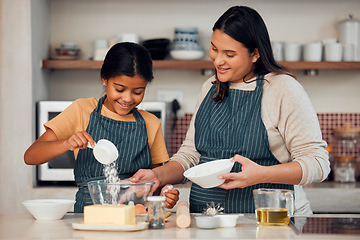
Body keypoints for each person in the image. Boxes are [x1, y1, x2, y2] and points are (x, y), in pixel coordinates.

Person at [131, 6, 330, 215]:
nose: (218, 60)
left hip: (270, 221)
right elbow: (190, 155)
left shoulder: (281, 88)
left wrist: (261, 174)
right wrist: (158, 175)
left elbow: (318, 163)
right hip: (208, 220)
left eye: (230, 54)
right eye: (214, 49)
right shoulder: (210, 87)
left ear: (255, 54)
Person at [24, 42, 179, 213]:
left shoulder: (151, 123)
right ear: (104, 79)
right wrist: (66, 144)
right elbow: (31, 156)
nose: (127, 98)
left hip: (135, 218)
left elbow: (157, 179)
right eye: (119, 89)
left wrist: (165, 193)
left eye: (137, 92)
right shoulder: (82, 110)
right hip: (88, 217)